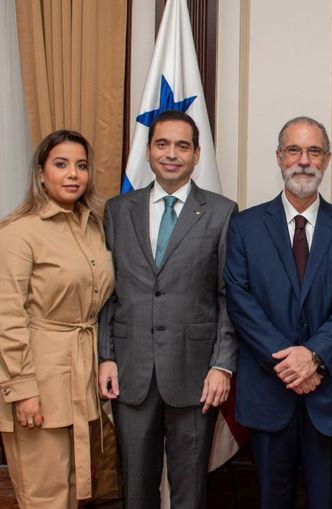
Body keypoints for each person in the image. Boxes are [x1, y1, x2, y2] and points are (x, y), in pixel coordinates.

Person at [224, 116, 332, 509]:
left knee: (326, 498)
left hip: (330, 390)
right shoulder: (245, 226)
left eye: (313, 151)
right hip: (269, 389)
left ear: (327, 159)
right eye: (294, 150)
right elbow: (240, 300)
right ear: (279, 157)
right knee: (273, 497)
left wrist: (314, 356)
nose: (303, 161)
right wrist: (287, 361)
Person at [97, 110, 238, 508]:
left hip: (195, 375)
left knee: (190, 490)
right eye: (162, 144)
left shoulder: (222, 212)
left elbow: (229, 295)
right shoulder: (117, 210)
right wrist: (106, 356)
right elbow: (109, 291)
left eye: (182, 146)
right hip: (130, 369)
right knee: (135, 489)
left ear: (196, 156)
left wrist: (222, 365)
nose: (171, 154)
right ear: (148, 151)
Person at [0, 130, 114, 508]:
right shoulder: (19, 233)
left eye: (81, 166)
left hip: (82, 377)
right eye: (61, 164)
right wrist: (22, 389)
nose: (73, 174)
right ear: (40, 172)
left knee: (76, 491)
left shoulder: (95, 226)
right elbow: (7, 316)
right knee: (45, 495)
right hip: (38, 379)